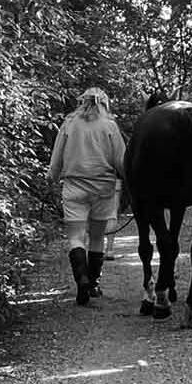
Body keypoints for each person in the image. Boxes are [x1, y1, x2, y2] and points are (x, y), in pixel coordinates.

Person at [46, 87, 127, 305]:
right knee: (98, 237)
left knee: (75, 237)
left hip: (74, 187)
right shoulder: (110, 125)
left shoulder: (69, 124)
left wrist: (52, 177)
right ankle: (93, 283)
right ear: (104, 103)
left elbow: (56, 160)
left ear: (82, 102)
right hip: (103, 188)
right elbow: (121, 161)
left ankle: (81, 279)